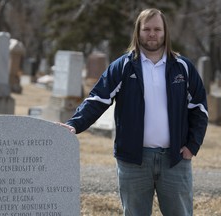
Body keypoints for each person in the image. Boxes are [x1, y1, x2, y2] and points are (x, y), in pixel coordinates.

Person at [57, 8, 208, 216]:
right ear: (138, 32)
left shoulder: (182, 67)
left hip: (175, 160)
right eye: (146, 29)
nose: (152, 34)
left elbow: (199, 108)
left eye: (157, 29)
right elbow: (98, 100)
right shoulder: (123, 66)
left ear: (165, 33)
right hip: (133, 161)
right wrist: (74, 124)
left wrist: (192, 145)